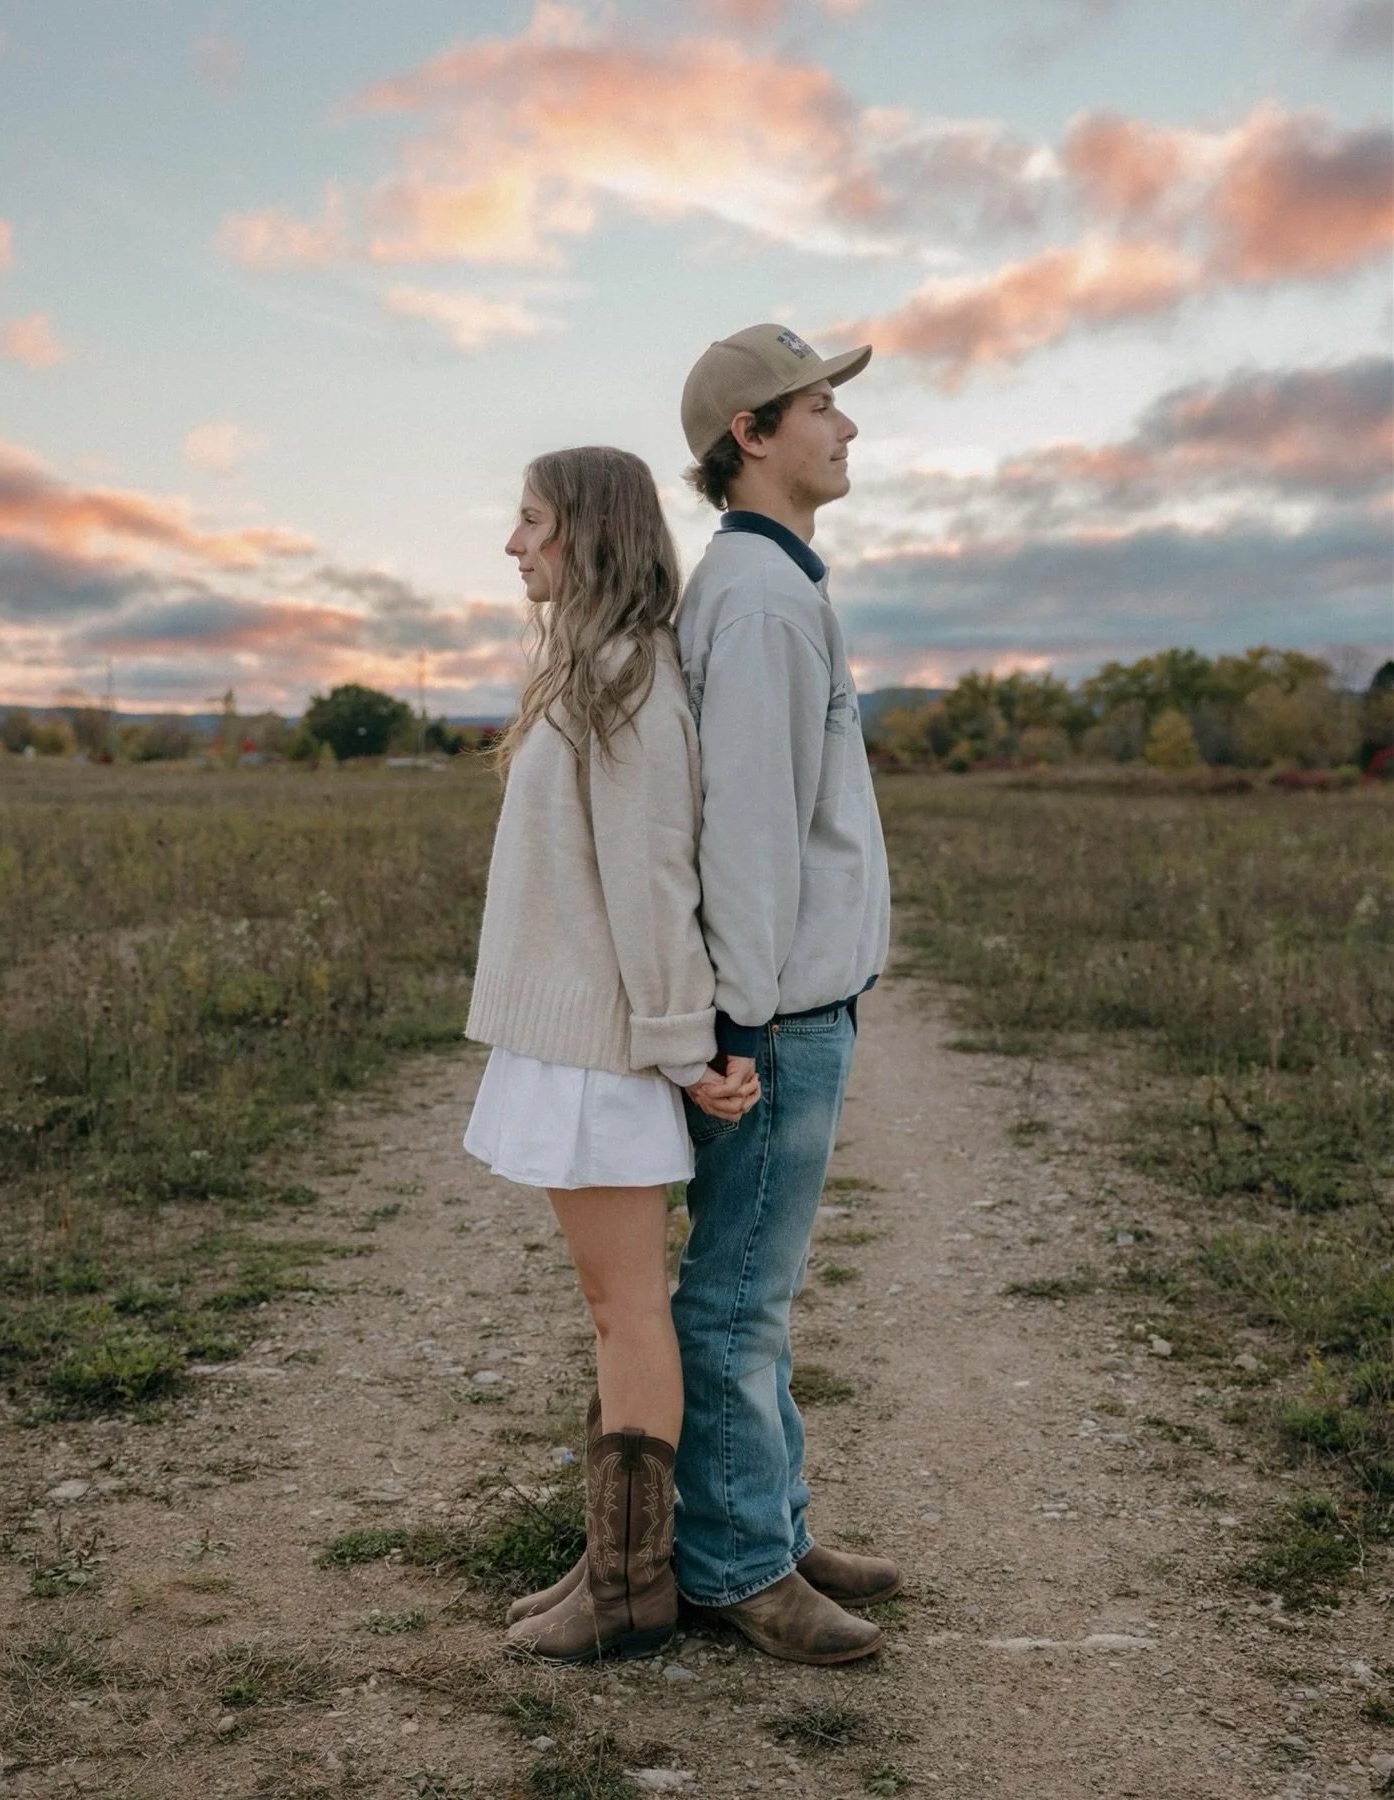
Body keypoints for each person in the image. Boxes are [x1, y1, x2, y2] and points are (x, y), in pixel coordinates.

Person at [462, 445, 759, 1664]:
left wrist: (687, 1049)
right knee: (614, 1312)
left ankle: (633, 1591)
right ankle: (614, 1561)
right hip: (572, 1040)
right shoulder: (590, 670)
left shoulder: (630, 674)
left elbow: (654, 883)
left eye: (529, 521)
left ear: (586, 532)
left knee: (628, 1311)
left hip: (602, 1049)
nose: (512, 544)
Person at [668, 324, 897, 1664]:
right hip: (777, 1020)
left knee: (763, 1284)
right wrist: (743, 1018)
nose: (848, 428)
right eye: (824, 405)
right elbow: (744, 828)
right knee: (738, 1290)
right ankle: (737, 1564)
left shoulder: (776, 585)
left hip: (802, 1004)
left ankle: (775, 1520)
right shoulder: (757, 597)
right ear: (752, 433)